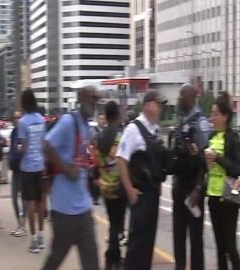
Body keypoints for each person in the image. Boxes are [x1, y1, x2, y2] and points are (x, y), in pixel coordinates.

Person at [42, 86, 100, 270]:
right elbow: (46, 145)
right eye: (92, 99)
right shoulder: (68, 121)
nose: (95, 103)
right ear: (82, 99)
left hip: (82, 208)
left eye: (97, 100)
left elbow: (80, 157)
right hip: (64, 210)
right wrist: (66, 168)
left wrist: (88, 171)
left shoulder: (85, 126)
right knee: (56, 259)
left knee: (91, 261)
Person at [117, 90, 168, 270]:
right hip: (140, 193)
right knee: (137, 243)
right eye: (158, 104)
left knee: (148, 242)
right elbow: (121, 159)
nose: (160, 108)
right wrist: (129, 190)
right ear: (147, 105)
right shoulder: (133, 129)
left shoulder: (154, 129)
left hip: (153, 192)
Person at [171, 84, 209, 270]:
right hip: (179, 187)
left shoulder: (200, 121)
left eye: (182, 95)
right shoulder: (181, 120)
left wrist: (197, 189)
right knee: (178, 236)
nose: (179, 99)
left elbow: (205, 160)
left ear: (192, 97)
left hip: (193, 189)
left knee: (195, 239)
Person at [205, 91, 240, 270]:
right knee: (220, 248)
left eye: (215, 114)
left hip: (228, 198)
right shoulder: (211, 137)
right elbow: (208, 168)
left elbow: (237, 169)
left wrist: (218, 158)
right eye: (211, 114)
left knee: (230, 247)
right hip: (213, 197)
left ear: (225, 116)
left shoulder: (233, 137)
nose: (212, 118)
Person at [97, 101, 125, 270]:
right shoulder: (120, 136)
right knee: (117, 224)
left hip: (104, 185)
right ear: (117, 115)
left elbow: (97, 161)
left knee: (113, 221)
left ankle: (115, 257)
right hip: (119, 187)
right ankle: (111, 259)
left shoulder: (99, 136)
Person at [17, 90, 46, 253]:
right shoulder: (41, 120)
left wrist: (18, 149)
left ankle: (34, 239)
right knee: (41, 203)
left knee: (30, 203)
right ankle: (41, 236)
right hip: (40, 165)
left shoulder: (23, 122)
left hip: (27, 167)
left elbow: (24, 146)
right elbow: (43, 144)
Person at [8, 111, 27, 237]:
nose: (16, 119)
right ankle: (19, 224)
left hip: (23, 168)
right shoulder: (14, 132)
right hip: (15, 169)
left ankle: (23, 224)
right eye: (15, 117)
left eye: (18, 117)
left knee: (23, 197)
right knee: (14, 197)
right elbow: (12, 148)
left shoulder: (24, 132)